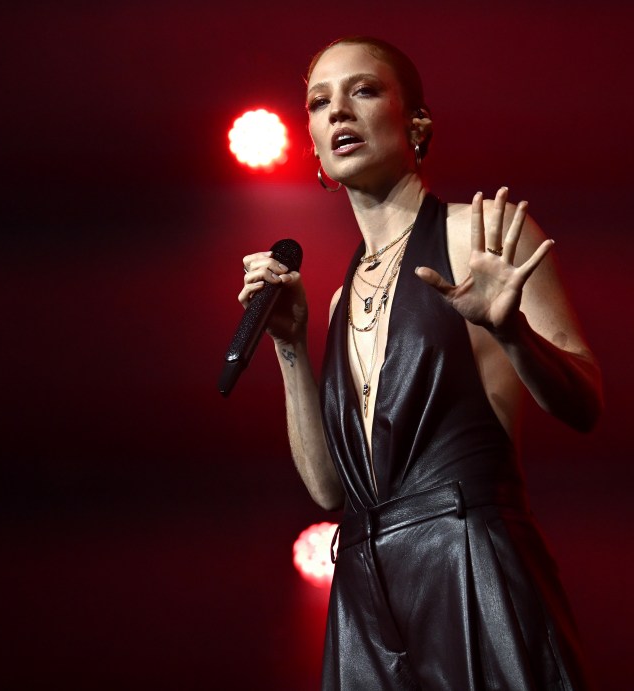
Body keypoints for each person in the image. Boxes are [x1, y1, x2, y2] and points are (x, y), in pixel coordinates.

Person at [239, 37, 602, 690]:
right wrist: (291, 347)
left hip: (467, 567)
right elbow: (329, 491)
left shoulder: (479, 234)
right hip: (364, 601)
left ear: (416, 125)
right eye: (320, 103)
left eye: (364, 91)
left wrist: (513, 334)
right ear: (315, 151)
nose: (338, 113)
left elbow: (586, 401)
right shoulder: (338, 299)